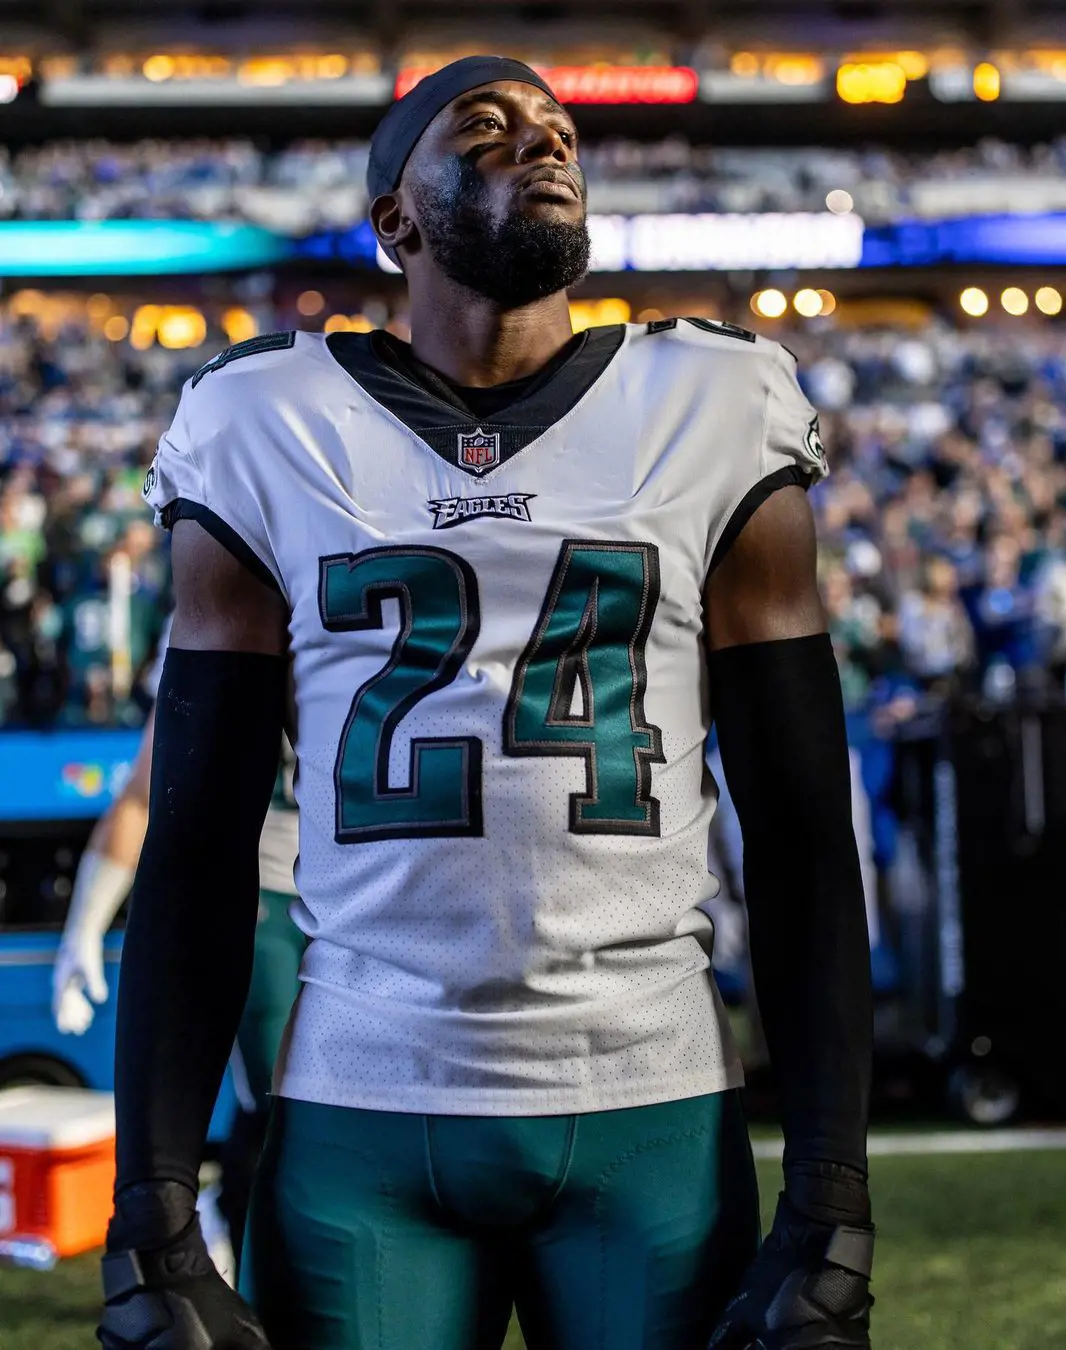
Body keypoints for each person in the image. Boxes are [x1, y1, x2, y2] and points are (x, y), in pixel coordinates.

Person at [99, 56, 875, 1350]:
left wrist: (834, 1195)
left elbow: (799, 831)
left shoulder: (715, 402)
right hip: (364, 1091)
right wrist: (151, 1209)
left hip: (651, 1092)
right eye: (488, 129)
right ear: (394, 219)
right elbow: (196, 845)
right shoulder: (263, 421)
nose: (544, 143)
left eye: (559, 130)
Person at [53, 615, 304, 1266]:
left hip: (364, 892)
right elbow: (146, 792)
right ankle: (244, 1243)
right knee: (280, 1101)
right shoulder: (230, 591)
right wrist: (82, 927)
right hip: (267, 892)